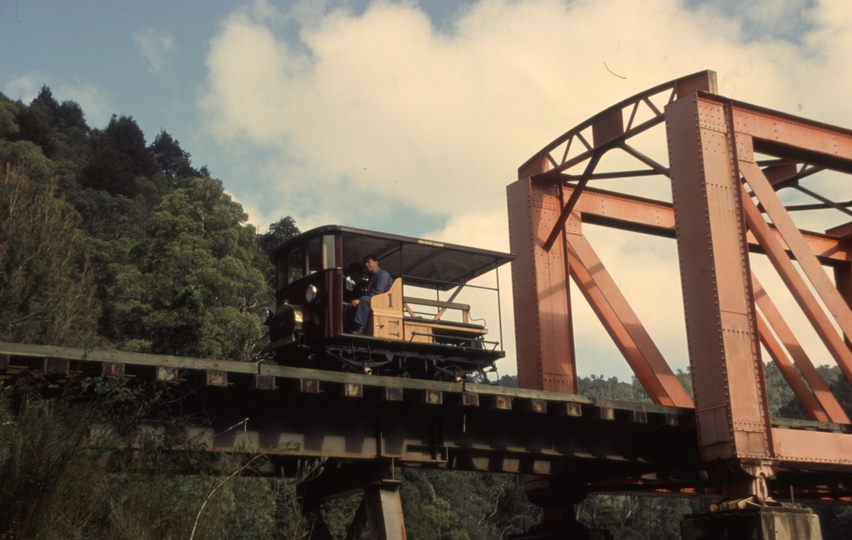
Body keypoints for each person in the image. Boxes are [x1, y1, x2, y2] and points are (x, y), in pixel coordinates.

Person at [343, 255, 393, 334]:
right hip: (372, 300)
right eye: (365, 263)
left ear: (376, 263)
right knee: (350, 305)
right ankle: (347, 328)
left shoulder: (382, 275)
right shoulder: (372, 277)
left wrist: (360, 301)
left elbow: (378, 292)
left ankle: (361, 328)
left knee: (363, 300)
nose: (366, 264)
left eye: (368, 262)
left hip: (383, 302)